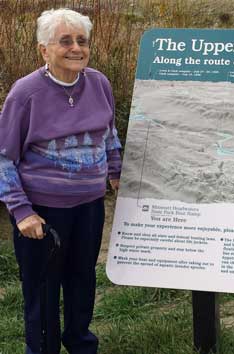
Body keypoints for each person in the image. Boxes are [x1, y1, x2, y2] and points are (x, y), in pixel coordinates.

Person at [0, 8, 122, 354]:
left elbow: (108, 134)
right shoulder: (25, 94)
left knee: (82, 278)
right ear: (44, 49)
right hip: (42, 212)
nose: (76, 48)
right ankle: (42, 348)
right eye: (65, 41)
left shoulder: (99, 83)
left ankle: (81, 342)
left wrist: (116, 173)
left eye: (82, 41)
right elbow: (4, 156)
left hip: (89, 206)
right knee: (42, 287)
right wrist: (21, 211)